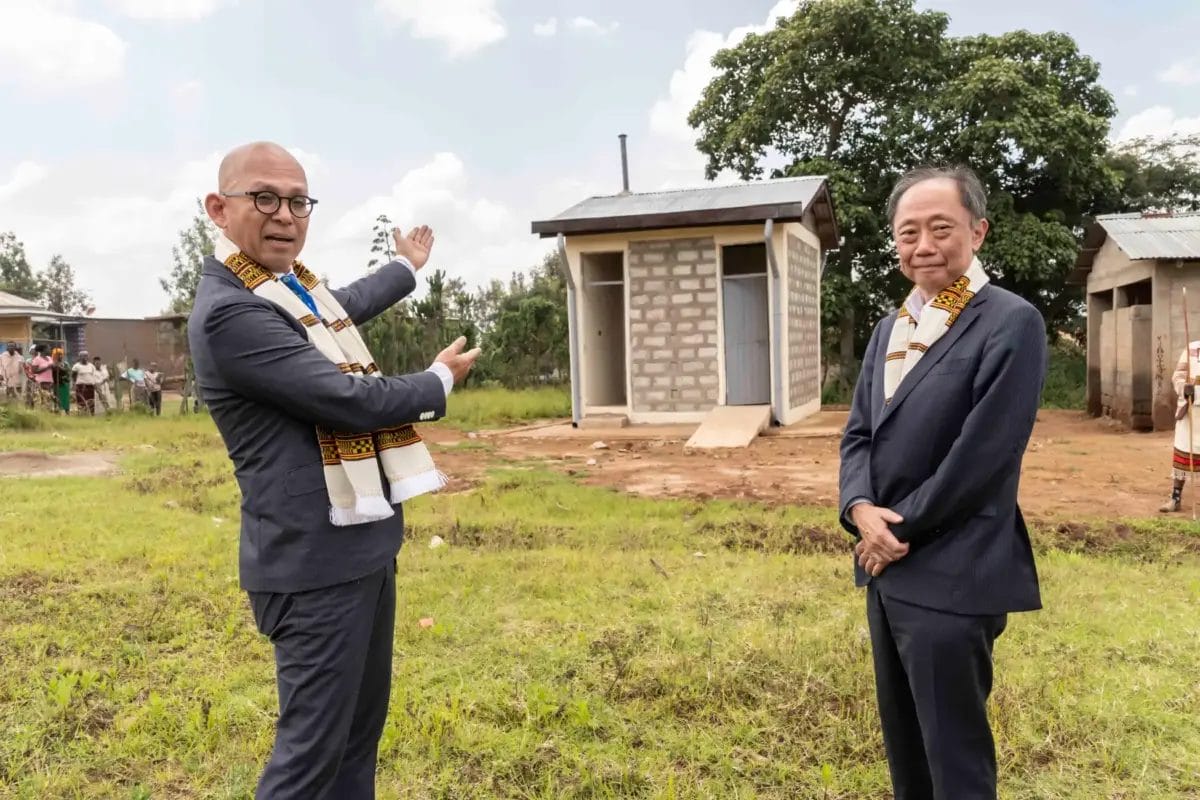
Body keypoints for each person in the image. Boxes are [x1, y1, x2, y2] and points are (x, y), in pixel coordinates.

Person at [188, 141, 480, 800]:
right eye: (264, 198)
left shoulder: (285, 294)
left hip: (361, 543)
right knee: (310, 760)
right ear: (219, 207)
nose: (285, 215)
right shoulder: (234, 311)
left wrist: (404, 266)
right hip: (314, 568)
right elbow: (349, 403)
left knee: (354, 744)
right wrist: (438, 380)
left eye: (298, 201)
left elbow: (343, 306)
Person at [839, 165, 1047, 800]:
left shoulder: (1009, 322)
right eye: (907, 233)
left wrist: (895, 529)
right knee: (905, 744)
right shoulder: (892, 328)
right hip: (887, 566)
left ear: (978, 232)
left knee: (953, 755)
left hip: (953, 569)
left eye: (940, 228)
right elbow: (859, 434)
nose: (922, 245)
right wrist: (858, 509)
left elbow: (981, 457)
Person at [1160, 340, 1200, 512]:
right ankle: (1175, 498)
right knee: (1183, 451)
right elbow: (1178, 375)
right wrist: (1184, 387)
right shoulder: (1192, 348)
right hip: (1190, 408)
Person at [71, 350, 98, 415]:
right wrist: (74, 385)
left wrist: (95, 386)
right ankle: (82, 415)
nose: (85, 357)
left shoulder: (91, 366)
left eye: (86, 355)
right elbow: (73, 376)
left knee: (91, 402)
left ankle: (92, 415)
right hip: (81, 387)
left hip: (90, 387)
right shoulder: (76, 366)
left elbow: (94, 377)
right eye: (83, 356)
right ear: (80, 357)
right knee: (81, 402)